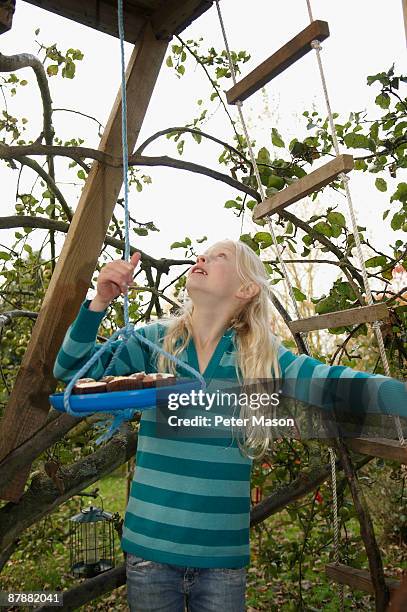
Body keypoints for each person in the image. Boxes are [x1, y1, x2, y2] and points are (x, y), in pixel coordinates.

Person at [53, 239, 406, 612]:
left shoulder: (262, 359)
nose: (201, 257)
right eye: (203, 253)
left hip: (221, 558)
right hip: (150, 550)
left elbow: (332, 382)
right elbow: (72, 373)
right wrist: (99, 303)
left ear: (246, 289)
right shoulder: (156, 343)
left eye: (220, 256)